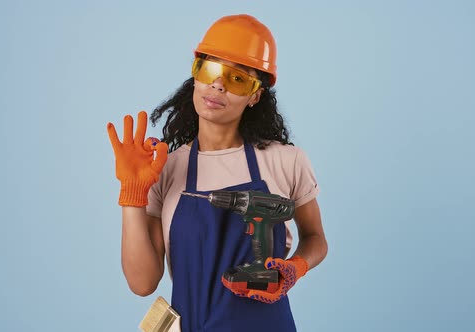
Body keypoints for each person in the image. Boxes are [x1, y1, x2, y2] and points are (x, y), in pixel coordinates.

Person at [107, 14, 328, 332]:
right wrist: (131, 194)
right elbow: (142, 284)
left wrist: (296, 266)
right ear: (196, 75)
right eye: (210, 70)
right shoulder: (165, 168)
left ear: (255, 95)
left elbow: (316, 238)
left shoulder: (286, 160)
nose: (218, 84)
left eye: (237, 78)